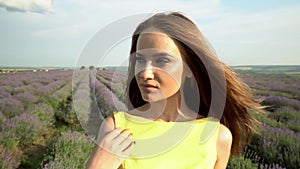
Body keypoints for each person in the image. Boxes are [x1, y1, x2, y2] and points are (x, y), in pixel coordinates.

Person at [86, 12, 263, 169]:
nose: (145, 73)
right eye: (140, 60)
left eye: (162, 60)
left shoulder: (217, 137)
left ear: (189, 68)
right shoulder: (116, 128)